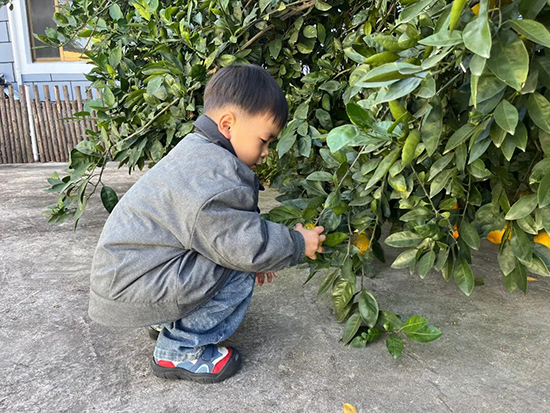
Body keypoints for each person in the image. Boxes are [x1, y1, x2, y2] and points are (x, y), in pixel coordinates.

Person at [88, 64, 326, 384]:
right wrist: (296, 244)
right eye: (264, 140)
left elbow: (226, 230)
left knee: (230, 256)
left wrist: (260, 255)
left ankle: (168, 321)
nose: (267, 152)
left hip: (131, 279)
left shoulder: (200, 153)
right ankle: (180, 348)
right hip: (133, 287)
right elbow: (244, 246)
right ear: (228, 124)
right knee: (235, 267)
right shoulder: (213, 176)